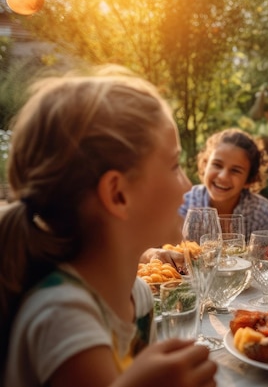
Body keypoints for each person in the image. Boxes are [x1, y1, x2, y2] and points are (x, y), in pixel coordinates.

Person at [0, 69, 217, 387]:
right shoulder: (63, 317)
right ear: (117, 194)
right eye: (174, 165)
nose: (188, 185)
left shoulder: (138, 296)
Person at [141, 128, 268, 266]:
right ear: (205, 165)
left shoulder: (259, 209)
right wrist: (153, 253)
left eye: (235, 170)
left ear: (249, 180)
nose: (223, 176)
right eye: (217, 165)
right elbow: (147, 246)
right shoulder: (185, 200)